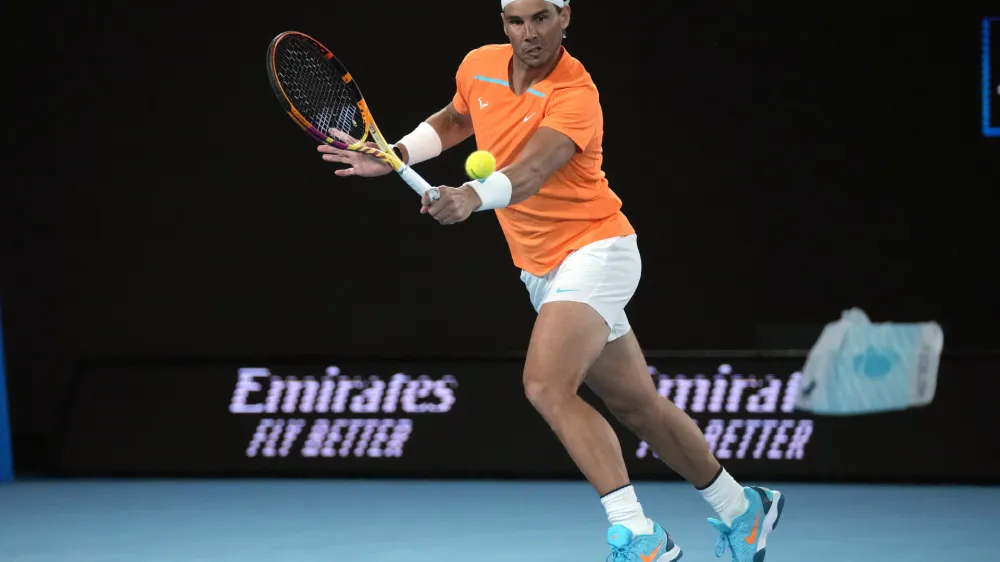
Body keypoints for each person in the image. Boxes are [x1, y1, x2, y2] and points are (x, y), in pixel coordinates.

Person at [317, 0, 785, 560]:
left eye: (541, 18)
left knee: (545, 385)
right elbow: (457, 119)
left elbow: (534, 169)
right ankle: (741, 507)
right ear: (503, 24)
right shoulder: (479, 65)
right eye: (516, 21)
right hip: (541, 268)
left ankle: (638, 534)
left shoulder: (575, 92)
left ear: (565, 17)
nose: (529, 34)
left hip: (597, 250)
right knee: (638, 406)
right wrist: (396, 154)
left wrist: (471, 196)